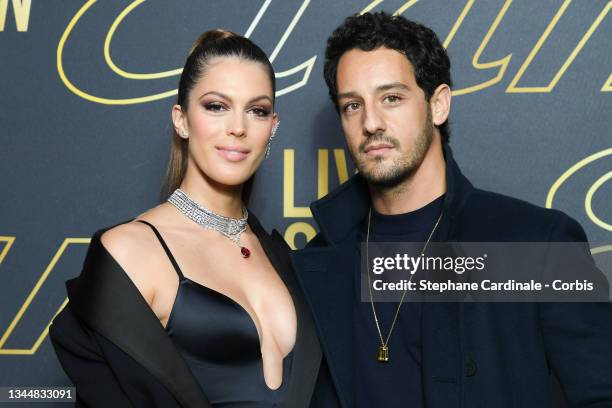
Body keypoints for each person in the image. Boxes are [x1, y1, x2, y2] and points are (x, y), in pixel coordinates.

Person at [291, 12, 612, 408]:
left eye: (391, 98)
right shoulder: (320, 260)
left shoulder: (536, 244)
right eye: (352, 105)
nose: (370, 122)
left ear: (438, 104)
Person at [49, 29, 321, 408]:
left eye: (256, 110)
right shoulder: (131, 251)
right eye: (216, 106)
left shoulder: (282, 256)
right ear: (181, 119)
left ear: (272, 127)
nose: (238, 127)